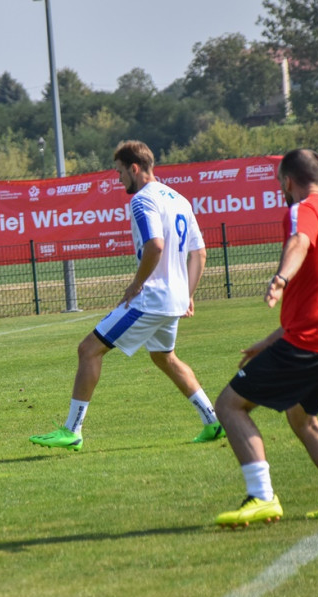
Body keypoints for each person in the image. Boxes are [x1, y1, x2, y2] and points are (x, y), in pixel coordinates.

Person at [30, 140, 224, 451]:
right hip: (172, 298)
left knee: (88, 350)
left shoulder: (142, 200)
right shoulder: (180, 199)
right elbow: (199, 253)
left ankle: (72, 430)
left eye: (120, 172)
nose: (118, 179)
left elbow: (155, 245)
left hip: (152, 298)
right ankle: (213, 421)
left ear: (134, 168)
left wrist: (136, 285)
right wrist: (187, 295)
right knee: (164, 357)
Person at [213, 148, 318, 528]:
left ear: (288, 181)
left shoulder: (304, 210)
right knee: (302, 417)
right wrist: (272, 339)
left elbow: (298, 242)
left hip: (313, 339)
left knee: (230, 405)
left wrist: (280, 278)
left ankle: (261, 496)